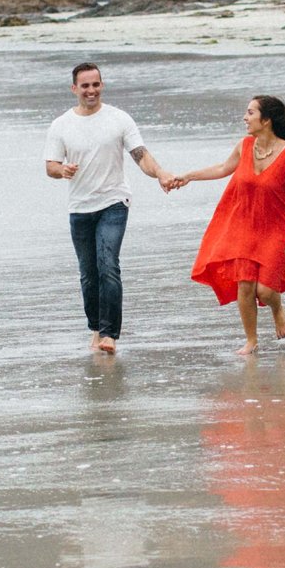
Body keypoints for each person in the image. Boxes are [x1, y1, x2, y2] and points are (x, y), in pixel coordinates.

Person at [44, 62, 173, 354]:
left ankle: (110, 335)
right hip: (79, 208)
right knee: (88, 274)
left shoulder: (119, 119)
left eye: (96, 84)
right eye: (85, 86)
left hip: (114, 202)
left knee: (108, 265)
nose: (91, 91)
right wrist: (62, 170)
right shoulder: (61, 124)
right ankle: (96, 328)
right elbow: (50, 166)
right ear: (74, 88)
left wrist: (161, 174)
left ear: (102, 85)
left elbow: (141, 156)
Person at [165, 94, 285, 357]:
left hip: (277, 229)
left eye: (251, 113)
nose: (245, 117)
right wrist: (188, 176)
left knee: (264, 291)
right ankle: (251, 341)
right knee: (245, 285)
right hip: (245, 226)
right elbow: (222, 168)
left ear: (266, 120)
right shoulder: (244, 146)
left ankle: (277, 308)